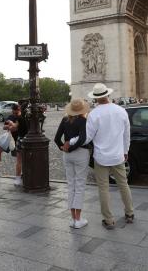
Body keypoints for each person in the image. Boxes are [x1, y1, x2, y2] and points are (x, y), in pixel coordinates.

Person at [86, 83, 134, 230]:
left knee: (103, 188)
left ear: (95, 98)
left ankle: (109, 220)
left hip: (101, 157)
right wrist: (125, 151)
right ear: (108, 95)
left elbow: (87, 138)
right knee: (123, 185)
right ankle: (130, 213)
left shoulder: (94, 114)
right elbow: (127, 135)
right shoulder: (121, 111)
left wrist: (71, 142)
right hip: (118, 155)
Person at [54, 98, 91, 229]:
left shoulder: (64, 120)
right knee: (80, 185)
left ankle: (72, 219)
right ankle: (78, 219)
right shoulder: (83, 121)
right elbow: (82, 139)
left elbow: (56, 138)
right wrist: (72, 148)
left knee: (71, 185)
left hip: (67, 156)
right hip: (80, 153)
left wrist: (63, 148)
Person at [0, 103, 28, 186]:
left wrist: (11, 126)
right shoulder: (12, 117)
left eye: (16, 113)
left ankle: (22, 174)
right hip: (10, 139)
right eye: (13, 112)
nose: (14, 114)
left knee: (20, 158)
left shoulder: (22, 117)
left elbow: (15, 127)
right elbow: (4, 127)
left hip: (18, 139)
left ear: (20, 110)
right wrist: (10, 126)